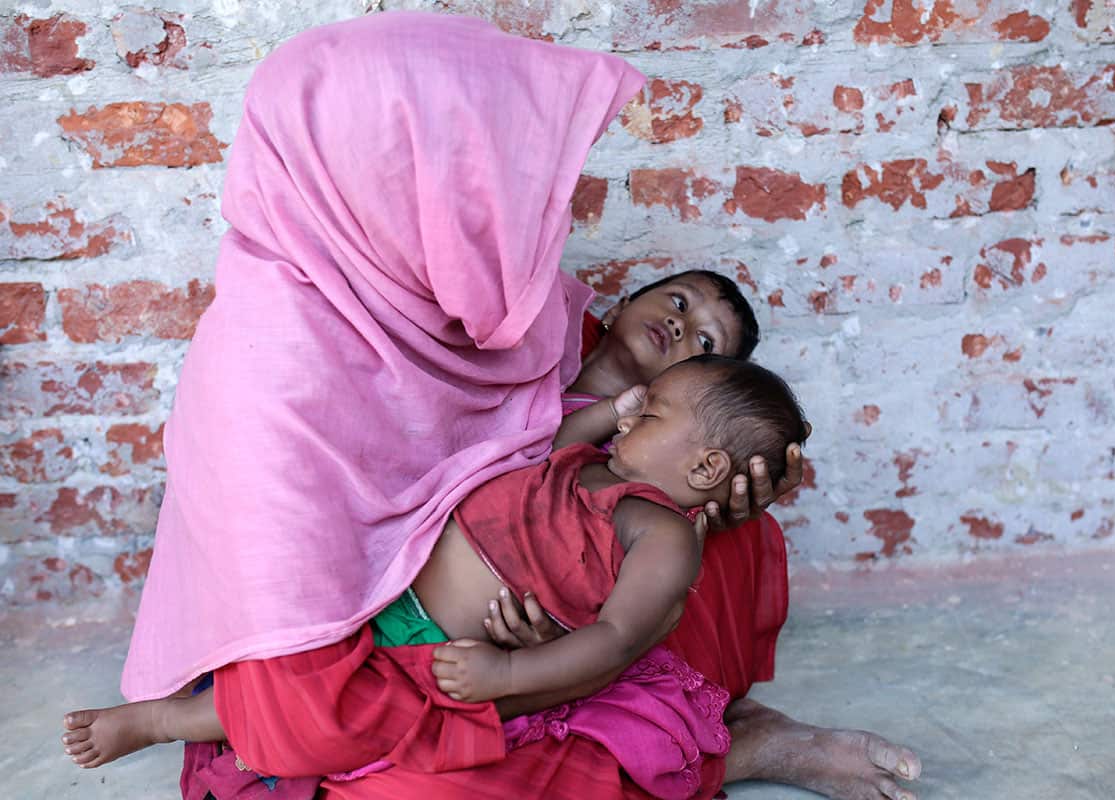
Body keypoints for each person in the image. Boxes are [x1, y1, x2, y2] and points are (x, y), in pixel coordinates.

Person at [62, 11, 920, 800]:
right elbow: (305, 656)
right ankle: (716, 748)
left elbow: (591, 459)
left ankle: (711, 723)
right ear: (384, 178)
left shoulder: (507, 300)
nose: (504, 208)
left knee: (697, 510)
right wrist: (502, 653)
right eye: (468, 176)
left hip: (541, 626)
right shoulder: (268, 373)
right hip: (391, 655)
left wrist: (673, 525)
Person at [63, 354, 809, 800]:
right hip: (386, 588)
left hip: (435, 651)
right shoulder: (591, 460)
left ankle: (161, 722)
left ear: (707, 468)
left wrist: (508, 671)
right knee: (286, 665)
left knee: (321, 706)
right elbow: (548, 433)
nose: (633, 415)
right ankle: (193, 718)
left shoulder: (662, 533)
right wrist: (616, 409)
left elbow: (615, 640)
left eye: (656, 414)